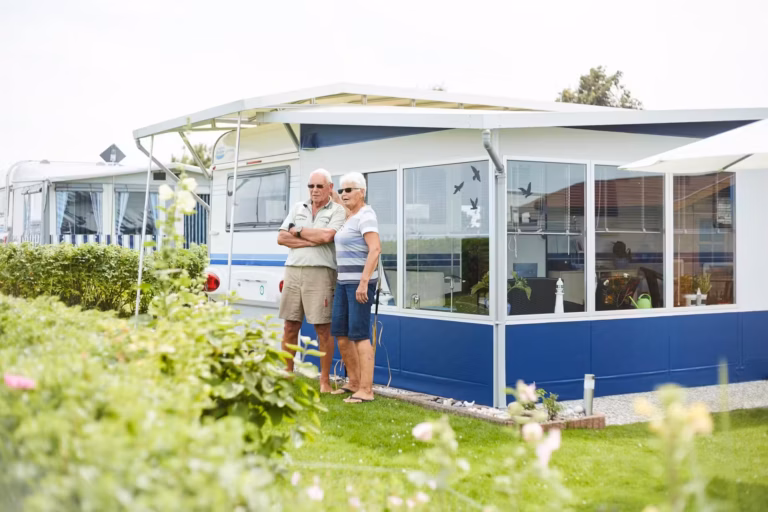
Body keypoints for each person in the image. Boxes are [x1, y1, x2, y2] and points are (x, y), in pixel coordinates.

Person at [277, 168, 346, 393]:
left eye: (319, 186)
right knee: (290, 326)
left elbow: (327, 236)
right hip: (293, 271)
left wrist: (297, 232)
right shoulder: (298, 207)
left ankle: (324, 381)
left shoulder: (338, 210)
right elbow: (281, 237)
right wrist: (309, 239)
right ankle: (287, 376)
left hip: (321, 272)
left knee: (322, 328)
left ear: (329, 188)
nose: (314, 190)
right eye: (311, 186)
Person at [330, 172, 381, 404]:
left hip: (360, 284)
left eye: (349, 190)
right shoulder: (350, 215)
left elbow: (375, 250)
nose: (344, 194)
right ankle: (353, 382)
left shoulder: (366, 216)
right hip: (343, 282)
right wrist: (331, 190)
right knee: (341, 333)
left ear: (362, 192)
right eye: (342, 190)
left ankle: (366, 389)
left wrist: (363, 282)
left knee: (359, 335)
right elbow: (337, 198)